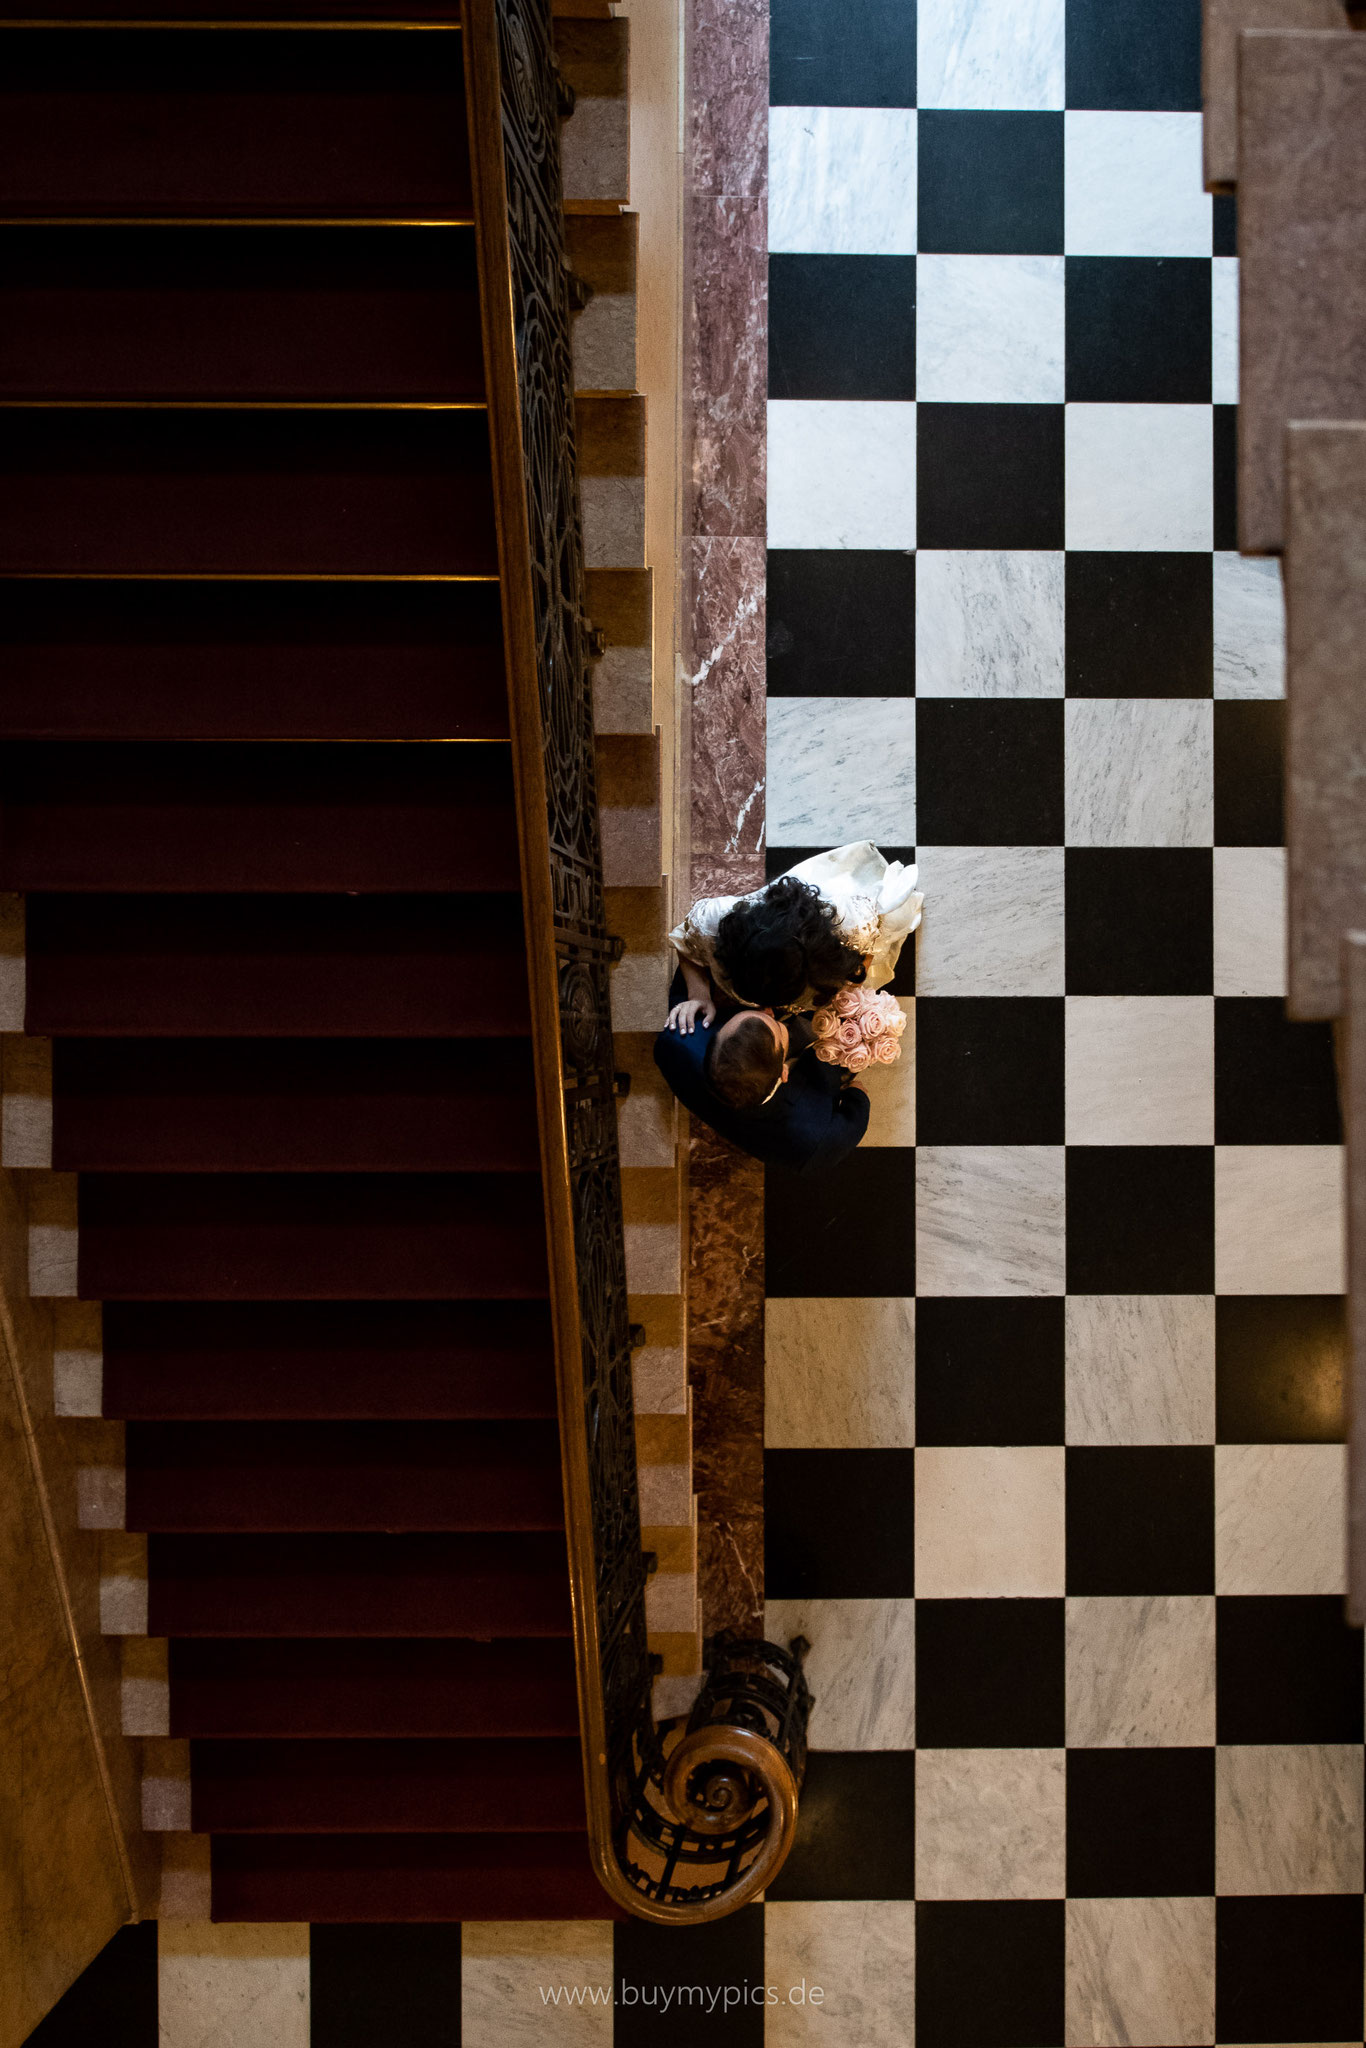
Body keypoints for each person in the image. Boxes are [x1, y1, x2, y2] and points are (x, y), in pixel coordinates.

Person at [668, 841, 922, 1019]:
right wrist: (699, 995)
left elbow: (862, 961)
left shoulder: (850, 926)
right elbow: (684, 943)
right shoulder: (714, 920)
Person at [653, 978, 869, 1175]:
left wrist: (698, 994)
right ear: (784, 1073)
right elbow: (858, 1095)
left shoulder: (676, 1044)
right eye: (775, 1024)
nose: (769, 1011)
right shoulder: (815, 1144)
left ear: (717, 1038)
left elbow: (693, 953)